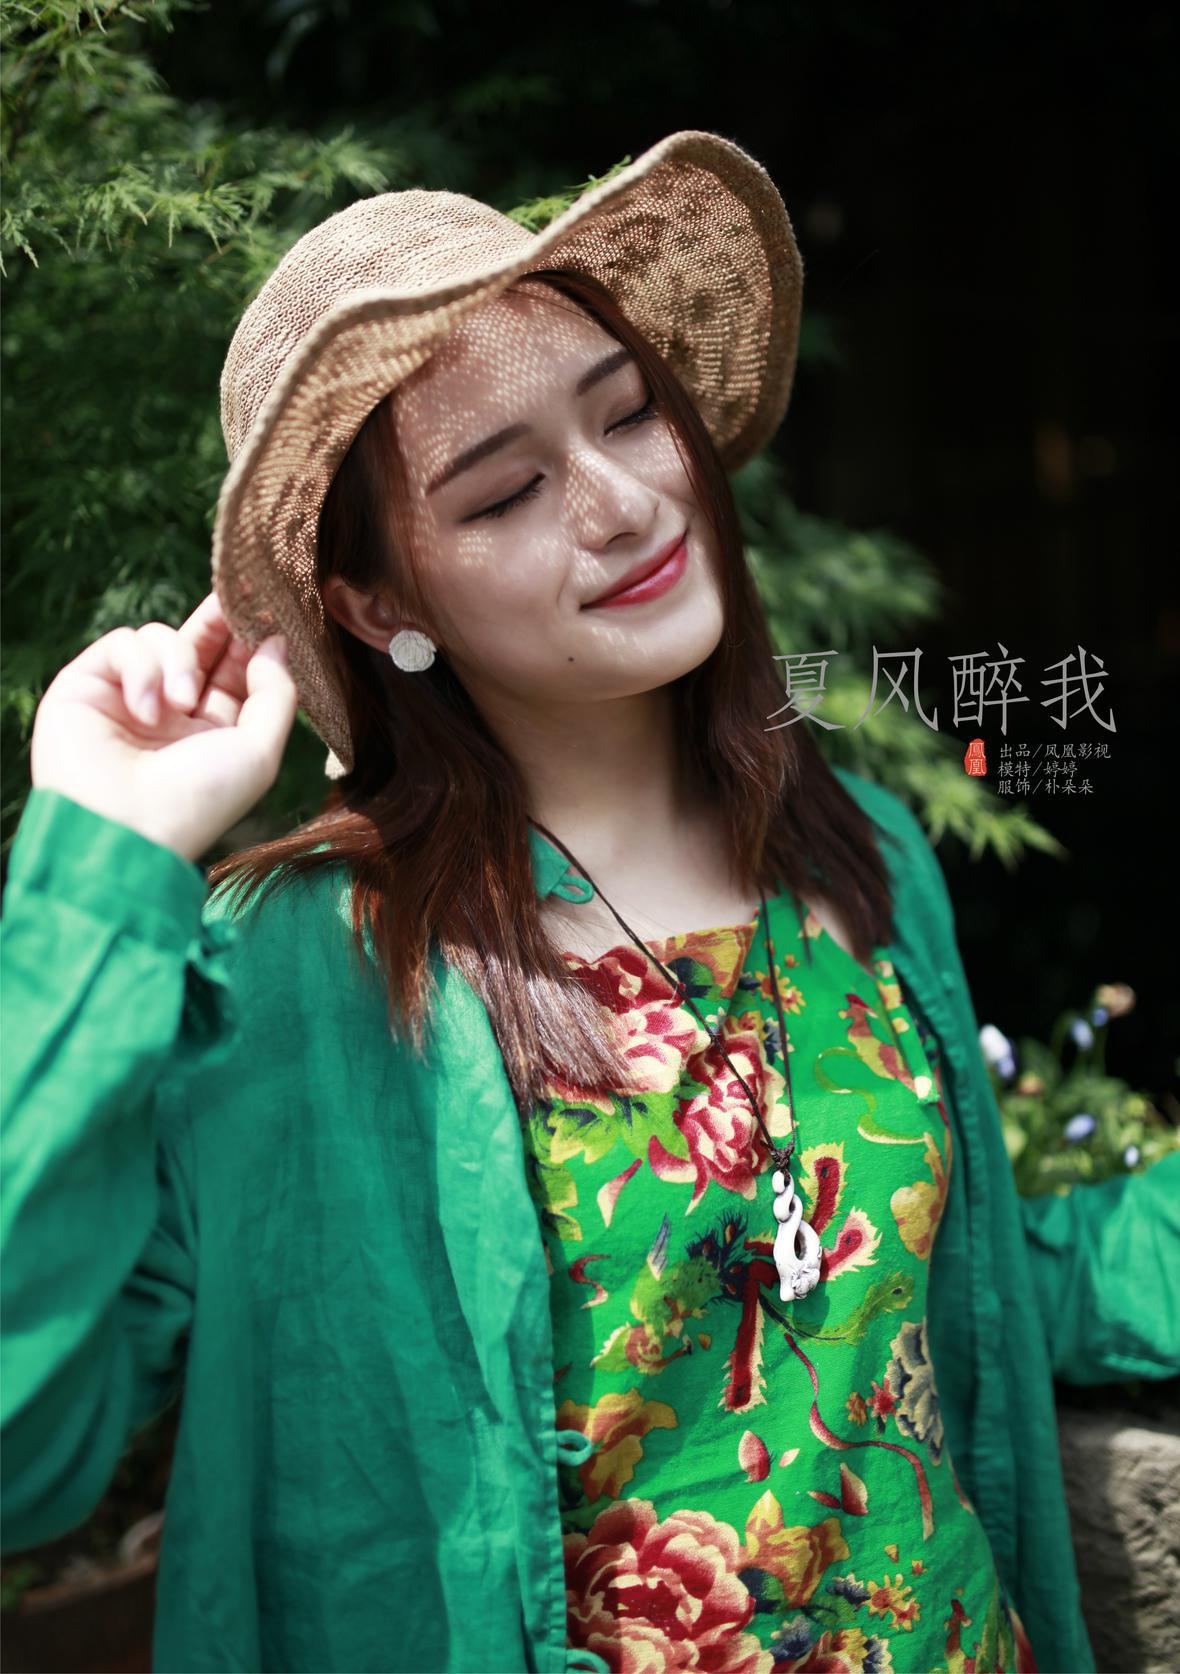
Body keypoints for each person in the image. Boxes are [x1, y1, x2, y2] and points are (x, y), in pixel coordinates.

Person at [2, 130, 1177, 1674]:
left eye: (630, 412)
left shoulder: (859, 852)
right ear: (380, 602)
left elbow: (936, 1284)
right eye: (506, 493)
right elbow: (22, 1444)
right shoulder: (303, 967)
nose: (624, 500)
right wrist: (104, 860)